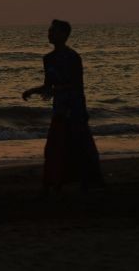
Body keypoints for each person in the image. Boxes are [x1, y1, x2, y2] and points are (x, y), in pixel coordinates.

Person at [22, 19, 103, 195]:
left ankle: (84, 184)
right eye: (50, 31)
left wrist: (76, 107)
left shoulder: (73, 57)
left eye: (54, 31)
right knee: (54, 147)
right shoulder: (48, 59)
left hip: (74, 108)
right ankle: (54, 183)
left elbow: (76, 85)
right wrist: (32, 91)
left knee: (78, 147)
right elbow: (48, 86)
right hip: (59, 108)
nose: (49, 34)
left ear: (64, 35)